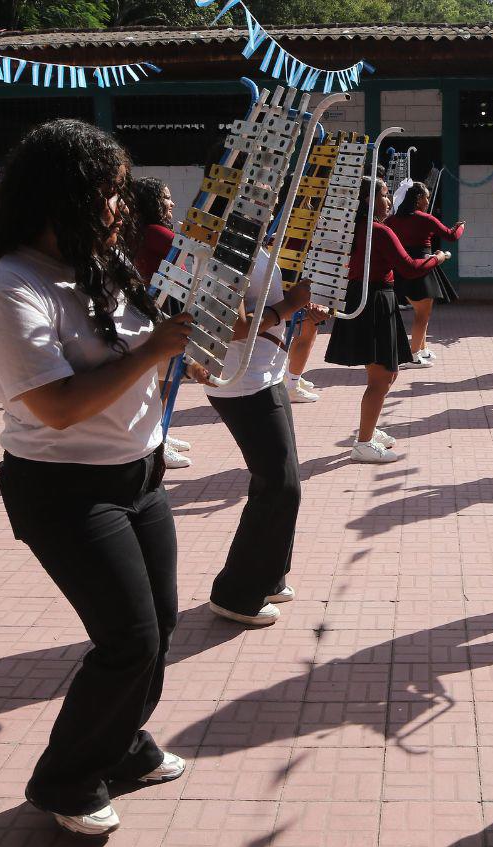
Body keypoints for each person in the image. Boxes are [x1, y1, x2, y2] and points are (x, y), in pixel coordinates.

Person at [0, 119, 193, 836]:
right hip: (64, 489)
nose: (120, 207)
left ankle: (120, 744)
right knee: (128, 639)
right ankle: (64, 780)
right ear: (64, 195)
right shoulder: (10, 287)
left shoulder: (101, 263)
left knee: (159, 626)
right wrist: (157, 347)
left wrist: (190, 349)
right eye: (110, 192)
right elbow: (59, 408)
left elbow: (143, 357)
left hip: (139, 473)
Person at [191, 249, 324, 625]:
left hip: (267, 373)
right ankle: (235, 593)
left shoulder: (263, 242)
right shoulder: (228, 245)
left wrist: (301, 308)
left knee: (284, 482)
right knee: (279, 485)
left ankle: (268, 576)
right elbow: (227, 324)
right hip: (241, 383)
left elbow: (263, 307)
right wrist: (288, 308)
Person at [325, 176, 449, 463]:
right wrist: (439, 258)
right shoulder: (377, 231)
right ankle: (363, 443)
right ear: (368, 200)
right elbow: (411, 267)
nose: (389, 200)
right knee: (381, 376)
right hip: (375, 299)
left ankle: (369, 429)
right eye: (383, 194)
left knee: (386, 373)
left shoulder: (352, 229)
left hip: (366, 297)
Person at [130, 176, 192, 469]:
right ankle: (158, 439)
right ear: (154, 202)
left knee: (164, 378)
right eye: (167, 198)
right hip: (158, 308)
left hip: (161, 305)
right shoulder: (154, 231)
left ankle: (161, 432)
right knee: (162, 381)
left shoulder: (146, 230)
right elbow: (189, 252)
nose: (172, 203)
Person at [384, 182, 465, 367]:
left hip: (401, 269)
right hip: (422, 268)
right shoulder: (425, 218)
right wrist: (460, 227)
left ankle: (422, 349)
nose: (428, 200)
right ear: (419, 199)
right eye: (426, 197)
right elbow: (451, 236)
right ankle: (412, 356)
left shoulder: (392, 220)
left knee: (424, 311)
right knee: (423, 313)